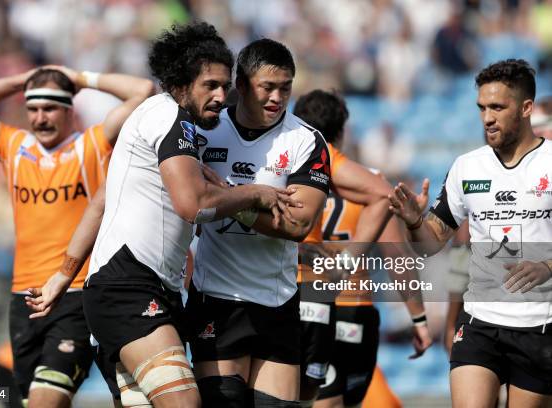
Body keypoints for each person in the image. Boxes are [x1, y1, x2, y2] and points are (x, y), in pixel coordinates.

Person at [26, 23, 297, 408]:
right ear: (181, 84)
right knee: (185, 402)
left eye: (225, 86)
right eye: (210, 86)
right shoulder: (172, 119)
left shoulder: (158, 118)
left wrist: (61, 276)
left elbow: (101, 202)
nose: (221, 97)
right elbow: (195, 206)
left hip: (145, 290)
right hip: (128, 289)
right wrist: (255, 192)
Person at [0, 65, 154, 407]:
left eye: (50, 108)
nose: (40, 118)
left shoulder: (92, 144)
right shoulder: (14, 146)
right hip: (22, 298)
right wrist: (19, 80)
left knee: (45, 401)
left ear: (70, 110)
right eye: (33, 109)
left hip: (75, 295)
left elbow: (142, 91)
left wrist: (79, 78)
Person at [388, 59, 552, 408]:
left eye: (497, 107)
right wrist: (415, 222)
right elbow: (433, 245)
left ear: (525, 108)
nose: (487, 117)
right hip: (479, 323)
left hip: (539, 326)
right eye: (481, 108)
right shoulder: (467, 166)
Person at [184, 39, 330, 408]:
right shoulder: (204, 132)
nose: (277, 97)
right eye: (268, 87)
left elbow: (297, 223)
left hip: (276, 302)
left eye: (285, 87)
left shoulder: (305, 141)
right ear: (243, 85)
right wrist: (252, 197)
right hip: (216, 300)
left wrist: (232, 199)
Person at [293, 90, 432, 408]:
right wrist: (419, 319)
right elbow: (396, 257)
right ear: (343, 131)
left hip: (303, 299)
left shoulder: (288, 177)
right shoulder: (371, 183)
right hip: (353, 307)